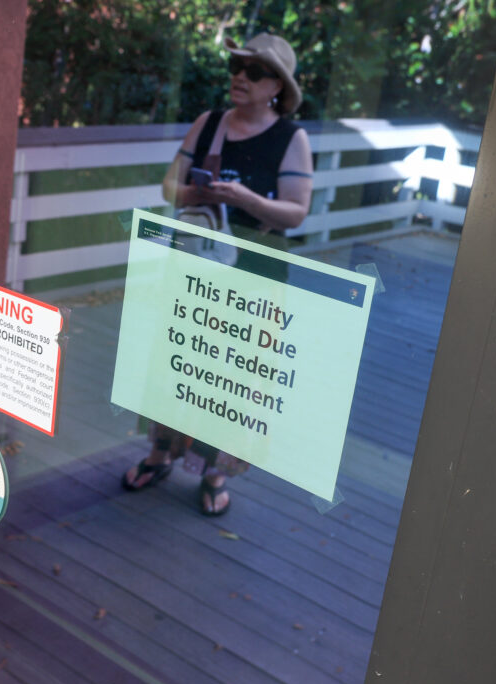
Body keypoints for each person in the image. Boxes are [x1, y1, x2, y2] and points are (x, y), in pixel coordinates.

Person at [122, 33, 313, 516]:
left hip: (254, 274)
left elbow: (297, 212)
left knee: (231, 377)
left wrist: (244, 199)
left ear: (278, 86)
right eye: (237, 67)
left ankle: (214, 471)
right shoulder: (208, 123)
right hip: (195, 263)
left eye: (253, 71)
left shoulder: (292, 138)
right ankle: (160, 453)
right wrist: (190, 195)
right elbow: (170, 183)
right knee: (178, 360)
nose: (239, 77)